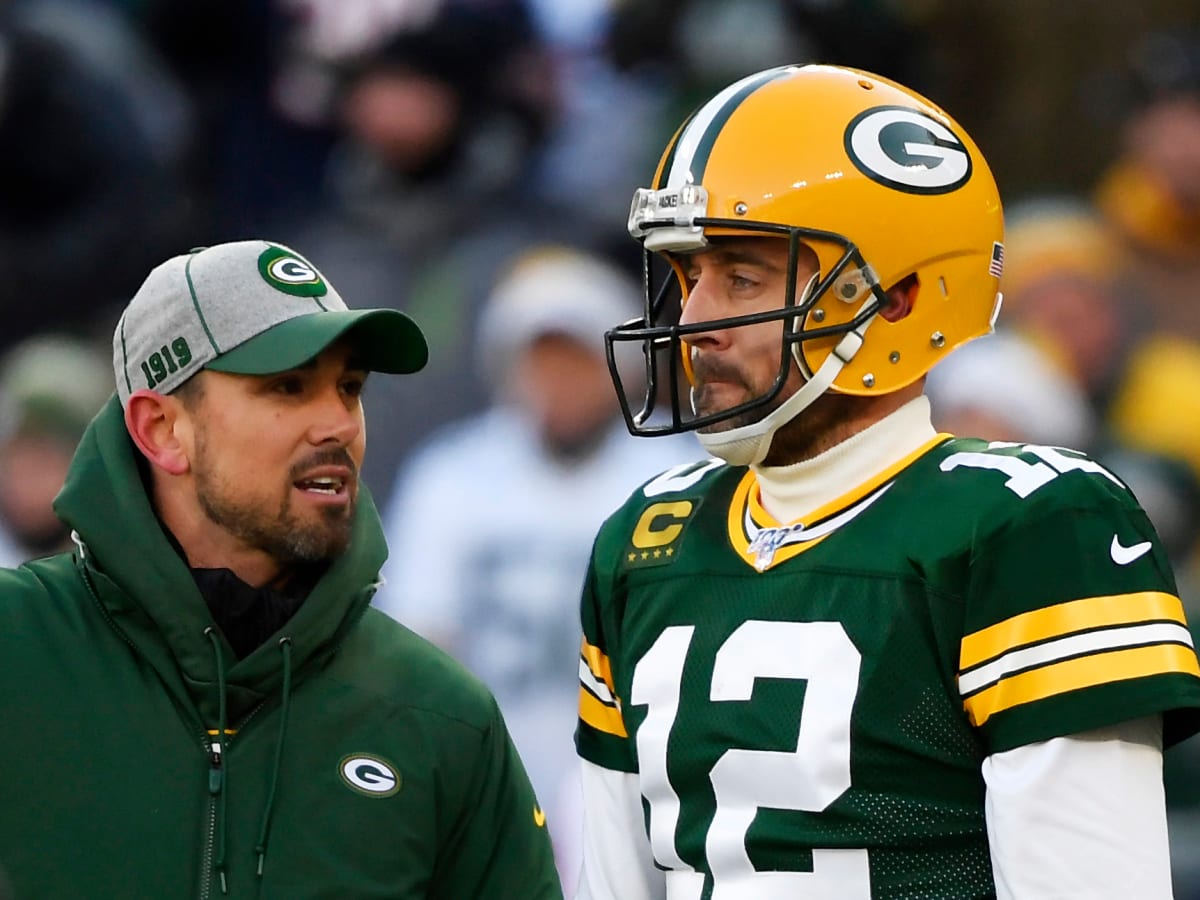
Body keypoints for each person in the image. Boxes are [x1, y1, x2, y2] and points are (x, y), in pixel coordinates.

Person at [573, 64, 1200, 899]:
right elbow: (613, 881)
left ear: (899, 297)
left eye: (743, 279)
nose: (694, 324)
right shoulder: (648, 534)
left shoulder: (1033, 524)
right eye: (688, 278)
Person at [0, 240, 563, 899]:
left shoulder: (442, 715)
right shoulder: (17, 648)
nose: (338, 424)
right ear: (161, 429)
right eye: (288, 386)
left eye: (349, 388)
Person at [374, 244, 697, 893]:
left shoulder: (680, 474)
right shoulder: (453, 473)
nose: (558, 380)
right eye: (540, 358)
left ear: (624, 367)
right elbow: (415, 645)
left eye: (575, 357)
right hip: (488, 775)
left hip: (641, 785)